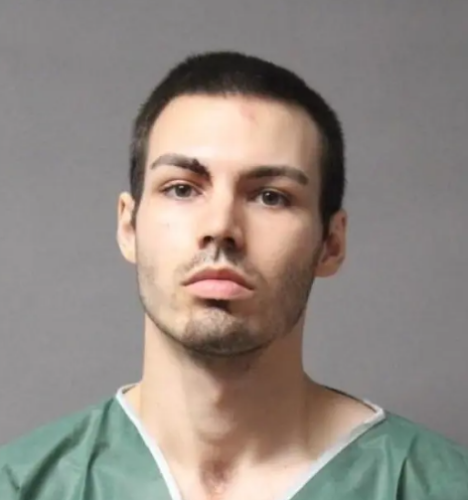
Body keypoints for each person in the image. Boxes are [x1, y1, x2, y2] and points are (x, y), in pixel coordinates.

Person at [0, 51, 467, 500]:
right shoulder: (21, 486)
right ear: (129, 226)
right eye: (181, 189)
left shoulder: (441, 488)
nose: (221, 226)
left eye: (270, 196)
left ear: (331, 242)